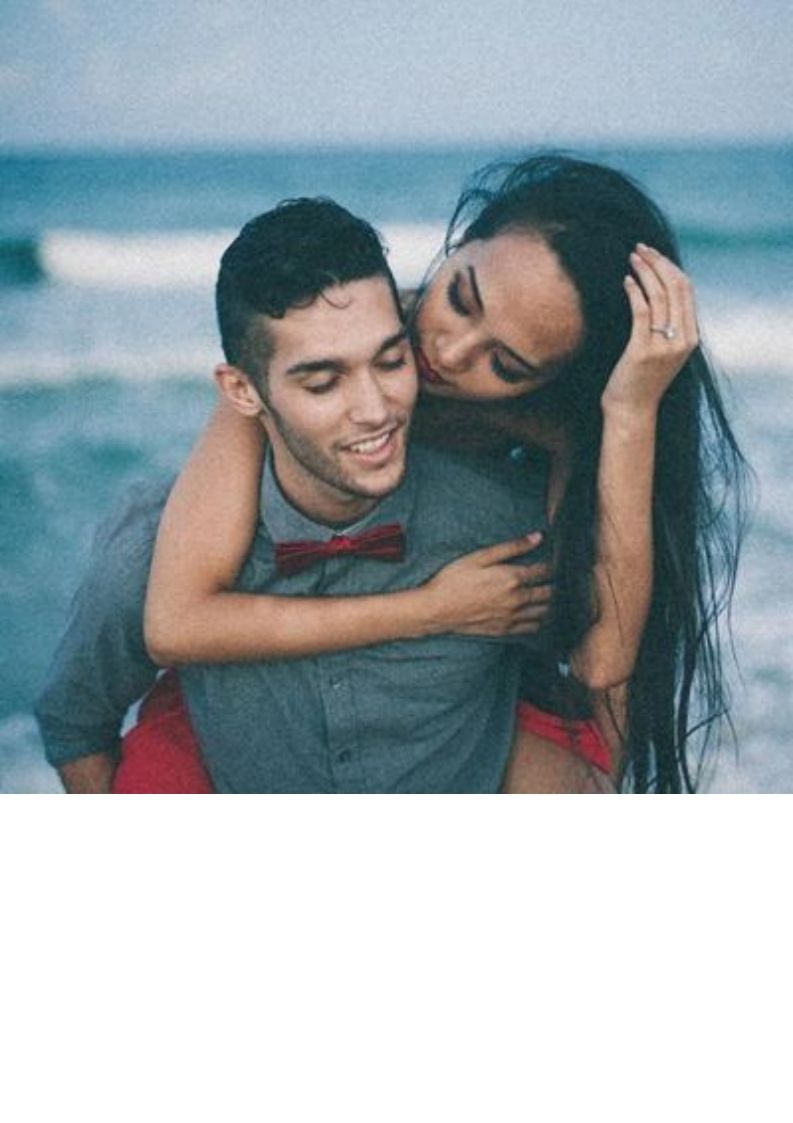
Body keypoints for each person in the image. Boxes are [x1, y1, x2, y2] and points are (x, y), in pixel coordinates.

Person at [138, 154, 748, 793]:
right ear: (462, 241)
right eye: (460, 298)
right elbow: (175, 621)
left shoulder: (559, 424)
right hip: (313, 673)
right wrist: (434, 609)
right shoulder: (325, 348)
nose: (449, 353)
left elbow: (602, 664)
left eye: (506, 366)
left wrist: (631, 410)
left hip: (478, 683)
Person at [35, 196, 578, 794]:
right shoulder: (152, 563)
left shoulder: (506, 529)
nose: (373, 410)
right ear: (242, 392)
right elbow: (75, 726)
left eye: (391, 362)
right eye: (323, 382)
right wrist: (431, 610)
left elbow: (603, 680)